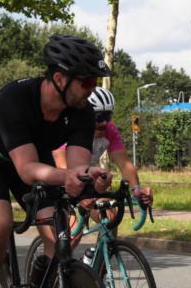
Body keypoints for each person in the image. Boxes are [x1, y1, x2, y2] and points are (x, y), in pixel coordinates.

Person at [0, 34, 113, 288]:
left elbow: (76, 166)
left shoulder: (81, 111)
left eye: (95, 81)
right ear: (59, 78)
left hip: (31, 159)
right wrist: (65, 177)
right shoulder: (15, 99)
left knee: (58, 234)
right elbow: (28, 170)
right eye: (86, 82)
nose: (92, 89)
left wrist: (90, 174)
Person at [52, 87, 153, 228]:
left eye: (108, 116)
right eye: (99, 117)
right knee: (74, 234)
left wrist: (136, 190)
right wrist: (80, 195)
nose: (104, 123)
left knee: (110, 218)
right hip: (60, 180)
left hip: (86, 178)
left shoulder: (109, 130)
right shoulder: (71, 128)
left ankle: (106, 248)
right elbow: (61, 166)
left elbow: (125, 165)